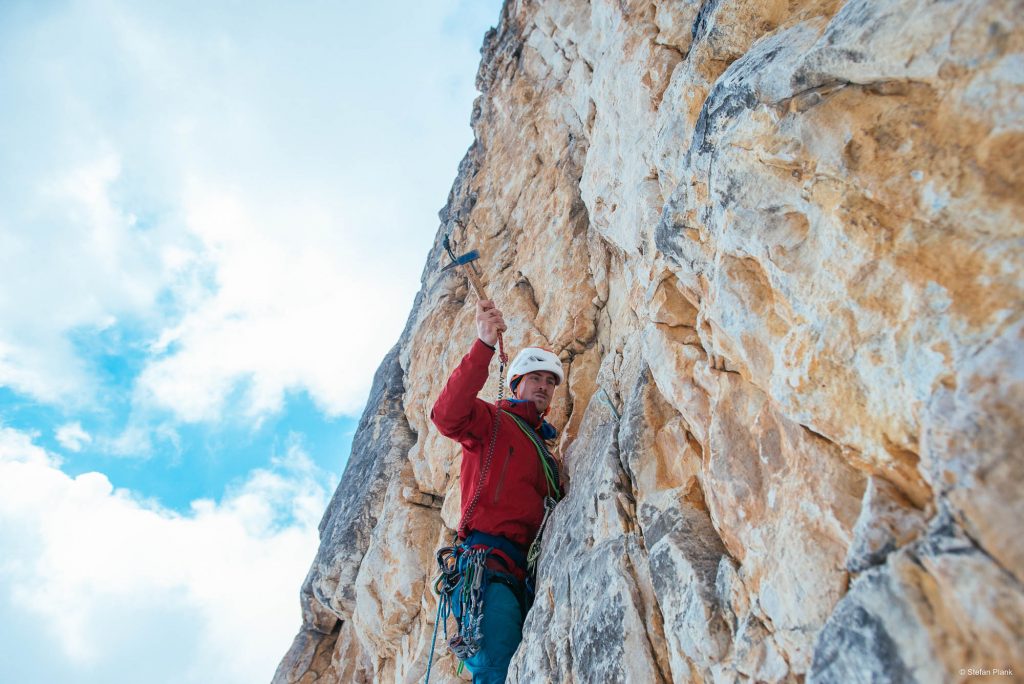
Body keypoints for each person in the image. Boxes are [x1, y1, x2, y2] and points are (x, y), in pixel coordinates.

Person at [430, 299, 565, 683]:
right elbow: (446, 416)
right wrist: (484, 345)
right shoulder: (493, 421)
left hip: (525, 577)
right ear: (517, 383)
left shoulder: (547, 454)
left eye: (550, 381)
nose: (544, 386)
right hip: (487, 568)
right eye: (536, 378)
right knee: (497, 670)